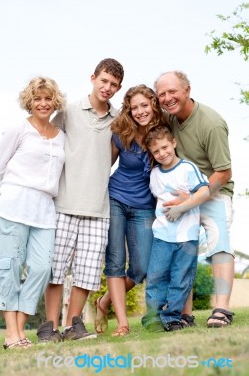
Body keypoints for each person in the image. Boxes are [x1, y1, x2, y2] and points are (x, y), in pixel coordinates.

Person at [36, 58, 124, 343]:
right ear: (93, 78)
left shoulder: (119, 119)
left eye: (113, 84)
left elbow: (112, 155)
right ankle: (49, 327)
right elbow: (47, 143)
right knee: (55, 270)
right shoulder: (68, 111)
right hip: (63, 203)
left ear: (118, 87)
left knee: (86, 273)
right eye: (104, 81)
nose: (107, 87)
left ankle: (74, 325)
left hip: (98, 208)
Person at [0, 77, 66, 349]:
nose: (43, 103)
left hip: (44, 208)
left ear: (55, 102)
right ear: (29, 102)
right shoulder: (18, 129)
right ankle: (11, 333)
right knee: (11, 266)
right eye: (37, 98)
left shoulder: (61, 136)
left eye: (47, 98)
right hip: (14, 202)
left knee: (43, 268)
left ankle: (19, 326)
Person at [155, 71, 235, 328]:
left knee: (218, 243)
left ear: (187, 90)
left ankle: (221, 309)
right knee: (183, 249)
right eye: (162, 94)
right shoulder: (170, 119)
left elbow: (223, 172)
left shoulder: (210, 123)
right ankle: (184, 313)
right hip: (183, 194)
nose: (167, 98)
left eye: (173, 92)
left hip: (214, 191)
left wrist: (194, 197)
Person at [93, 85, 169, 337]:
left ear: (153, 105)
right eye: (134, 107)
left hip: (145, 205)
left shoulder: (163, 132)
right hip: (116, 198)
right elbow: (104, 165)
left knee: (141, 267)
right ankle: (123, 324)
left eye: (144, 105)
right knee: (115, 262)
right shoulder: (122, 132)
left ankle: (103, 303)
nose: (139, 111)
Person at [141, 126, 209, 331]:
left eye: (164, 147)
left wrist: (181, 208)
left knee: (181, 278)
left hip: (187, 236)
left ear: (173, 143)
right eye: (156, 151)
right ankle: (153, 316)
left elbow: (204, 192)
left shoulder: (188, 168)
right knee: (156, 276)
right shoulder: (154, 174)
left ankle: (172, 317)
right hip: (162, 234)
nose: (162, 153)